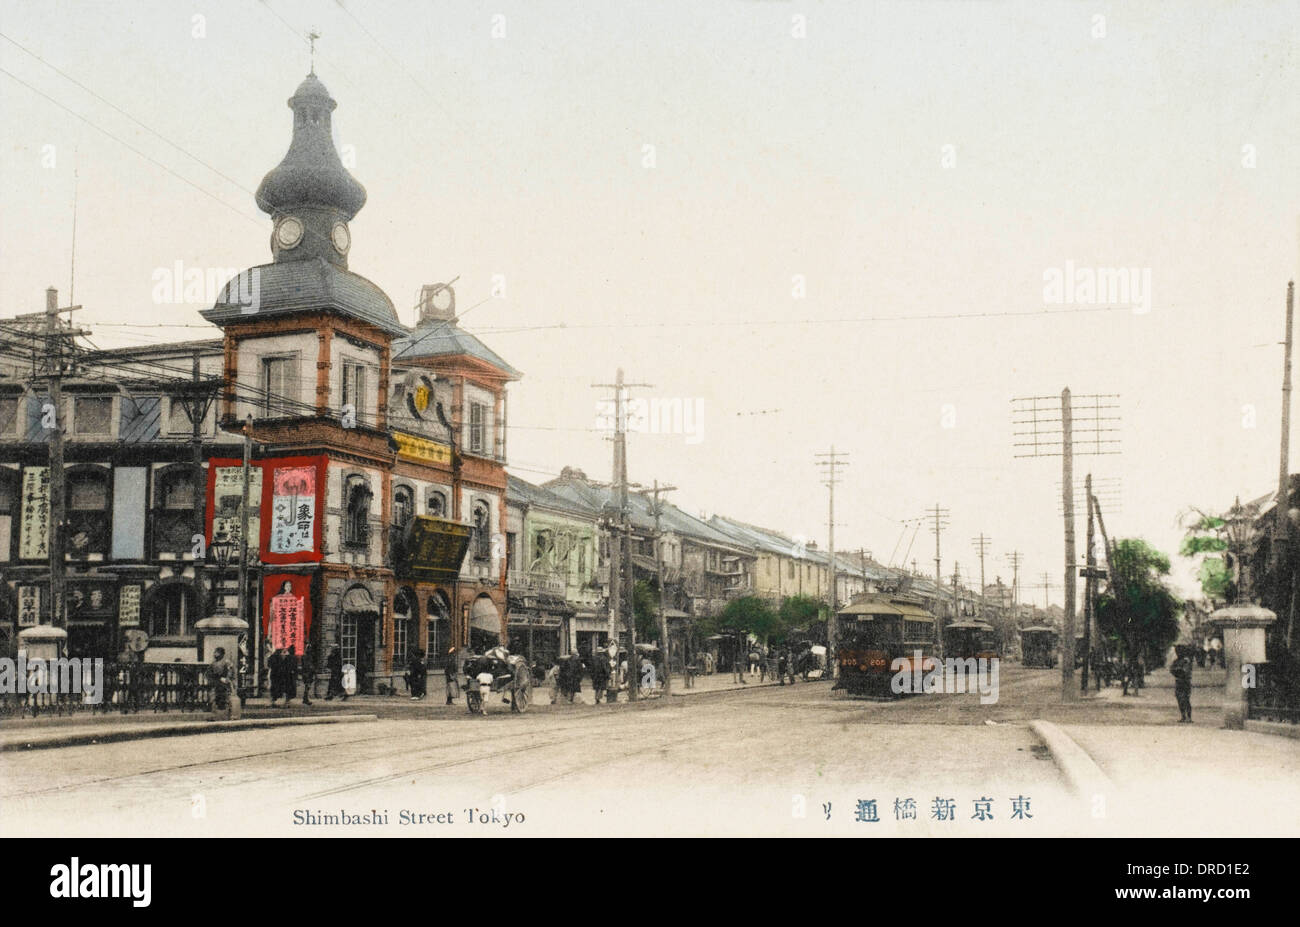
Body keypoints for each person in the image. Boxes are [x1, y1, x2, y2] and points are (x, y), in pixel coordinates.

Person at [208, 647, 237, 721]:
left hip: (225, 683)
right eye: (215, 652)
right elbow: (210, 672)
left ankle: (231, 715)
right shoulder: (213, 663)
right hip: (216, 682)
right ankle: (214, 715)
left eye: (217, 652)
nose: (215, 654)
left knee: (227, 699)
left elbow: (230, 672)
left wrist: (227, 679)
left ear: (222, 654)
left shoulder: (227, 662)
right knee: (214, 699)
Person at [1171, 647, 1194, 723]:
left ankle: (1189, 717)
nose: (1178, 653)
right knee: (1179, 700)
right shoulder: (1176, 661)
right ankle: (1183, 716)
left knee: (1186, 699)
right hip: (1178, 682)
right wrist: (1178, 670)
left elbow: (1185, 671)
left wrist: (1178, 670)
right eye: (1177, 652)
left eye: (1180, 652)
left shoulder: (1186, 661)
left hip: (1185, 682)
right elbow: (1172, 670)